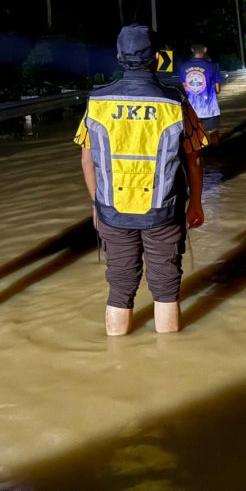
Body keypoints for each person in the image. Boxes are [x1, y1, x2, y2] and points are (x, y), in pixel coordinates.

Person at [74, 24, 207, 336]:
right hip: (163, 211)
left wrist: (98, 203)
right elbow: (194, 157)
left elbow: (86, 158)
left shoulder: (98, 102)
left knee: (120, 287)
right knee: (166, 288)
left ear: (119, 57)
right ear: (158, 58)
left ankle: (117, 363)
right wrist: (197, 203)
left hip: (113, 211)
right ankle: (168, 365)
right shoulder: (175, 102)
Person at [177, 42, 223, 146]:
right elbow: (218, 89)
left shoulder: (184, 67)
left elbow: (185, 87)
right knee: (214, 133)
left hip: (192, 109)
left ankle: (199, 157)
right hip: (210, 108)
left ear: (192, 50)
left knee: (195, 137)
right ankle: (215, 156)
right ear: (205, 49)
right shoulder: (212, 66)